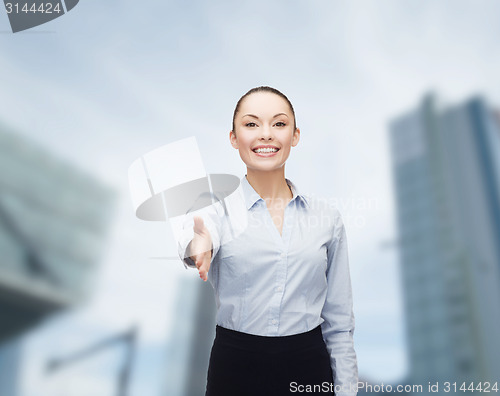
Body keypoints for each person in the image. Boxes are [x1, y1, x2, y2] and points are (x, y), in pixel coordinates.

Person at [178, 86, 358, 396]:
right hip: (235, 366)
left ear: (295, 135)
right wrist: (198, 244)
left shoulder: (327, 218)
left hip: (308, 364)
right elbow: (197, 233)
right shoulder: (216, 209)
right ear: (234, 138)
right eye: (251, 124)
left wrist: (346, 390)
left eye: (279, 123)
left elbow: (339, 321)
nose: (266, 134)